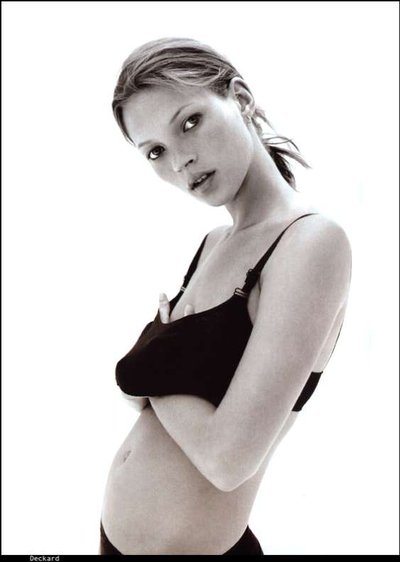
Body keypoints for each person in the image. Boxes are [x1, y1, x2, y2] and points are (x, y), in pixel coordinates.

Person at [99, 37, 352, 555]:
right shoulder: (214, 244)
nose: (181, 161)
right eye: (155, 152)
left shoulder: (310, 242)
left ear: (240, 98)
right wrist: (152, 371)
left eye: (189, 122)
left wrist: (151, 362)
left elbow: (227, 460)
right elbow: (144, 398)